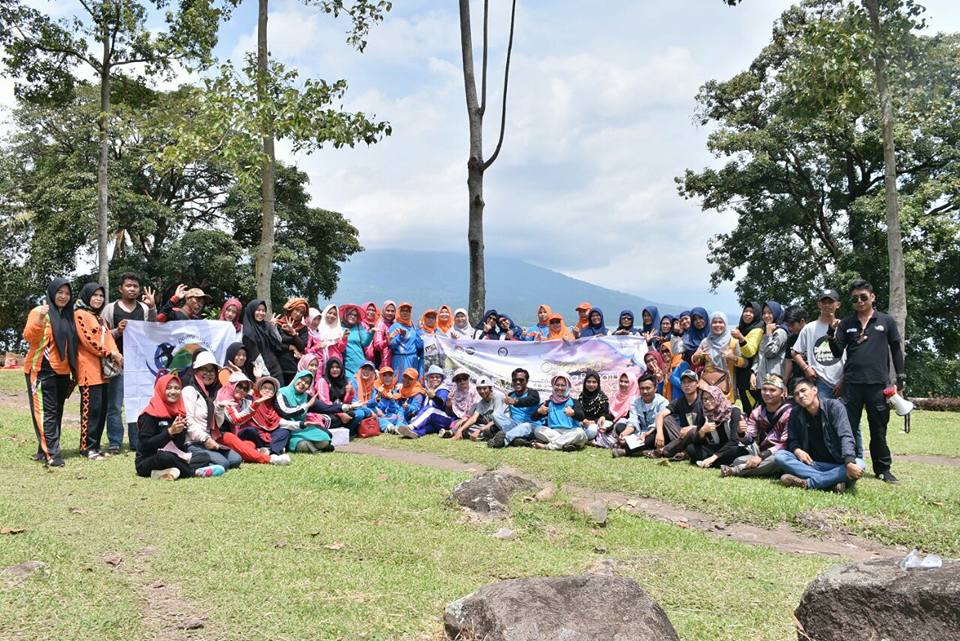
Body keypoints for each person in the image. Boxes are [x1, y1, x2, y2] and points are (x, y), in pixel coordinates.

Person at [827, 279, 905, 485]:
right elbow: (837, 352)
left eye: (863, 297)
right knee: (848, 429)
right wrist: (831, 334)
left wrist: (901, 377)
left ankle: (883, 469)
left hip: (878, 385)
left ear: (872, 297)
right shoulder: (846, 323)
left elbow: (896, 349)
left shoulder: (886, 321)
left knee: (878, 429)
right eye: (855, 299)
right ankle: (847, 465)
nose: (860, 302)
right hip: (851, 385)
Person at [775, 378, 865, 492]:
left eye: (803, 391)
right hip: (812, 463)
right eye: (796, 394)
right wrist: (797, 450)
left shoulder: (834, 406)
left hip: (838, 464)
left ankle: (809, 483)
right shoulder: (796, 412)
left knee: (860, 465)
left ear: (815, 390)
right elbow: (793, 439)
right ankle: (831, 481)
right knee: (780, 456)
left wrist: (849, 462)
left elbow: (845, 436)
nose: (801, 396)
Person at [24, 277, 78, 467]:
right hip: (41, 369)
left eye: (67, 293)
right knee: (46, 412)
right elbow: (29, 337)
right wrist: (39, 319)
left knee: (57, 413)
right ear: (52, 293)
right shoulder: (40, 311)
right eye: (60, 292)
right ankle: (52, 454)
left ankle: (43, 450)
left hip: (62, 371)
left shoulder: (68, 315)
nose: (63, 296)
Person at [102, 272, 157, 453]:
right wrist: (117, 331)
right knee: (115, 405)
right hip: (117, 364)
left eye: (135, 286)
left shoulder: (144, 309)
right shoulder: (110, 309)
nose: (132, 289)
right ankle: (115, 441)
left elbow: (153, 331)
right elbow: (101, 335)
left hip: (139, 366)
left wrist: (153, 307)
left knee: (139, 404)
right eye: (128, 286)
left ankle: (136, 440)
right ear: (120, 288)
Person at [134, 374, 223, 479]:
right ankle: (193, 473)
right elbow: (145, 445)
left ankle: (164, 472)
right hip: (149, 459)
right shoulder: (149, 414)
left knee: (203, 457)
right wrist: (169, 432)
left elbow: (179, 445)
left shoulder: (179, 412)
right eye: (168, 388)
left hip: (175, 455)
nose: (173, 392)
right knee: (166, 457)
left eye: (176, 388)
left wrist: (179, 432)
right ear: (160, 390)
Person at [74, 283, 123, 460]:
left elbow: (108, 338)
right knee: (91, 411)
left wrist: (116, 353)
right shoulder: (80, 314)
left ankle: (95, 446)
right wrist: (110, 353)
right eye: (95, 295)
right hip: (88, 371)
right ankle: (86, 448)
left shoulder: (98, 317)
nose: (98, 299)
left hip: (103, 373)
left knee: (101, 410)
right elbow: (88, 341)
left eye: (101, 296)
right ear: (87, 296)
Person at [721, 374, 793, 478]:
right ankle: (762, 469)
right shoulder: (757, 412)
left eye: (772, 390)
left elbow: (785, 444)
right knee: (738, 460)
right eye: (764, 389)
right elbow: (750, 441)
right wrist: (741, 433)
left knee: (778, 459)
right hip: (761, 453)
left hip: (781, 453)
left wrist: (762, 456)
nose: (767, 393)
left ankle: (736, 470)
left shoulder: (790, 413)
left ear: (782, 393)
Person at [182, 350, 242, 471]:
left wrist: (219, 408)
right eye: (204, 369)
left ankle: (205, 460)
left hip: (209, 440)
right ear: (196, 371)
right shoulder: (189, 391)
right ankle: (189, 464)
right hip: (193, 442)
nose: (208, 374)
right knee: (223, 464)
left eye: (212, 370)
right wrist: (205, 439)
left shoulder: (210, 395)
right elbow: (188, 422)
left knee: (236, 460)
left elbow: (216, 425)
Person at [215, 372, 292, 465]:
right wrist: (255, 405)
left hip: (241, 436)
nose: (242, 390)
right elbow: (235, 420)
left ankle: (263, 452)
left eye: (245, 389)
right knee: (247, 433)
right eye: (239, 386)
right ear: (232, 385)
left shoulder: (244, 400)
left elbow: (280, 419)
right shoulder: (224, 398)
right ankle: (270, 459)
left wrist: (302, 424)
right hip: (218, 436)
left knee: (250, 444)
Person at [791, 289, 844, 400]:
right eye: (824, 302)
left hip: (843, 379)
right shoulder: (809, 328)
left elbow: (852, 355)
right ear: (819, 304)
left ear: (838, 304)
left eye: (831, 302)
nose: (827, 305)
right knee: (822, 410)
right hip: (820, 380)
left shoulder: (844, 326)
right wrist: (806, 368)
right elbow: (795, 352)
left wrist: (844, 379)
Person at [685, 385, 745, 469]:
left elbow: (734, 440)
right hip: (716, 447)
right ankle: (721, 463)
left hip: (732, 447)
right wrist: (702, 431)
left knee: (738, 451)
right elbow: (696, 441)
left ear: (718, 397)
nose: (707, 402)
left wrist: (713, 457)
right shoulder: (705, 414)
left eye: (711, 398)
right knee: (691, 448)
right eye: (704, 399)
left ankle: (712, 461)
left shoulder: (733, 412)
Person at [691, 311, 745, 403]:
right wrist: (696, 356)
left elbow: (745, 363)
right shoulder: (706, 342)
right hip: (708, 384)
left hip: (726, 385)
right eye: (714, 322)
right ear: (710, 324)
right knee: (707, 407)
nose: (717, 325)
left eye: (720, 322)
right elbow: (697, 360)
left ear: (725, 324)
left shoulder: (733, 342)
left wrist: (733, 358)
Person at [611, 374, 669, 457]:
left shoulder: (663, 402)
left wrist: (646, 434)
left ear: (655, 388)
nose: (645, 391)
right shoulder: (636, 402)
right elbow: (633, 420)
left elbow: (658, 424)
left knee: (657, 434)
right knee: (620, 426)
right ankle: (643, 450)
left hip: (652, 433)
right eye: (642, 388)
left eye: (648, 388)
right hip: (638, 434)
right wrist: (625, 433)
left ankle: (625, 451)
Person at [650, 370, 704, 460]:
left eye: (690, 382)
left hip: (700, 436)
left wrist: (693, 427)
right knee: (666, 418)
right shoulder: (679, 401)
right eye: (684, 382)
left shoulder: (703, 400)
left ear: (697, 384)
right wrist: (659, 433)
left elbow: (709, 423)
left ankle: (664, 451)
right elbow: (660, 415)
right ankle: (683, 451)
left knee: (692, 431)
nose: (687, 385)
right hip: (681, 437)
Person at [277, 371, 335, 453]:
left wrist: (346, 407)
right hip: (288, 429)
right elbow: (286, 412)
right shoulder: (282, 392)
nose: (303, 383)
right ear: (296, 378)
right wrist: (306, 406)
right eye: (302, 379)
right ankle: (309, 446)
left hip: (302, 428)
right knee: (302, 445)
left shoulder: (306, 396)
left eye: (307, 382)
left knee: (324, 439)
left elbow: (325, 408)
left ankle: (311, 445)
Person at [487, 368, 542, 448]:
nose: (518, 382)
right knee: (496, 414)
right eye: (515, 380)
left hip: (531, 427)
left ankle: (503, 441)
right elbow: (505, 414)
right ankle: (516, 439)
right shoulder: (510, 395)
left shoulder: (533, 393)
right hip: (515, 426)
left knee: (525, 425)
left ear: (526, 381)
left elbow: (531, 400)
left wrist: (515, 402)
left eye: (521, 380)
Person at [532, 373, 587, 451]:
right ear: (553, 386)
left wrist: (573, 413)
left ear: (568, 386)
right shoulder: (548, 403)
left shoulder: (573, 401)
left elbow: (582, 417)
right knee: (538, 429)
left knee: (580, 433)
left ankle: (547, 446)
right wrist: (539, 411)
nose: (559, 388)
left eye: (563, 385)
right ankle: (568, 444)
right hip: (554, 432)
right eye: (557, 385)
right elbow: (533, 417)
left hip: (571, 431)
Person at [398, 365, 453, 438]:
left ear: (442, 379)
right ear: (428, 379)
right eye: (432, 377)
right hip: (434, 422)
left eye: (437, 377)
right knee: (424, 427)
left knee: (429, 409)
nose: (435, 379)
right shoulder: (428, 390)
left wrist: (434, 397)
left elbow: (442, 403)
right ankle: (414, 433)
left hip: (444, 420)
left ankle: (410, 427)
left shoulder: (442, 390)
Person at [731, 301, 764, 415]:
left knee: (753, 410)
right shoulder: (741, 328)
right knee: (746, 408)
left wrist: (741, 338)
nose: (748, 314)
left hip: (750, 376)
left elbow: (750, 352)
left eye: (751, 312)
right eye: (746, 311)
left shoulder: (758, 329)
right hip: (741, 374)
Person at [451, 377, 506, 441]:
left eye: (485, 388)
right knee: (463, 426)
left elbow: (498, 418)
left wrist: (479, 430)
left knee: (490, 428)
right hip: (486, 425)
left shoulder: (497, 396)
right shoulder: (481, 402)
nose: (482, 391)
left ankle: (493, 436)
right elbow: (473, 418)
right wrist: (460, 430)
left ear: (490, 388)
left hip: (500, 424)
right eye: (479, 389)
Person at [241, 299, 284, 380]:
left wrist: (273, 328)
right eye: (258, 310)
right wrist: (266, 375)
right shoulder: (248, 332)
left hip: (275, 367)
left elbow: (279, 341)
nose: (261, 313)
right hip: (261, 371)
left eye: (263, 310)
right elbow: (254, 356)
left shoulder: (266, 325)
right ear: (252, 310)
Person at [597, 369, 637, 448]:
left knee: (619, 427)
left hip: (628, 425)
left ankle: (618, 442)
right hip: (615, 423)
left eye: (626, 382)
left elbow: (627, 417)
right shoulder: (618, 396)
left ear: (632, 383)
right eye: (621, 381)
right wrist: (604, 417)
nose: (622, 384)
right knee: (600, 425)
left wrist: (609, 428)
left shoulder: (635, 400)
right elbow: (613, 415)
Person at [753, 301, 789, 384]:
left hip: (775, 381)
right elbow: (759, 355)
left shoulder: (780, 332)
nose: (766, 316)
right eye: (764, 313)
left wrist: (769, 334)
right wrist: (753, 372)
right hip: (763, 380)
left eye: (770, 313)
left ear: (776, 313)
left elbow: (769, 353)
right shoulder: (765, 332)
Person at [276, 297, 310, 385]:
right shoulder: (278, 324)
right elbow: (275, 344)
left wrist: (293, 333)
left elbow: (302, 346)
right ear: (291, 309)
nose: (298, 314)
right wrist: (290, 347)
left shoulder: (303, 328)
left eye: (301, 312)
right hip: (277, 366)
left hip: (293, 367)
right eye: (297, 310)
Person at [440, 369, 479, 438]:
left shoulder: (475, 390)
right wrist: (449, 401)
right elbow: (449, 413)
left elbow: (475, 407)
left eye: (464, 378)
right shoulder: (454, 391)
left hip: (473, 417)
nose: (462, 381)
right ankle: (451, 431)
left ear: (468, 378)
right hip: (458, 418)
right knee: (452, 423)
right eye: (458, 380)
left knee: (460, 423)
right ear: (455, 381)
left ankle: (451, 432)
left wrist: (464, 419)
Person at [579, 370, 613, 443]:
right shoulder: (582, 396)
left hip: (595, 425)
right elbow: (579, 414)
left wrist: (593, 421)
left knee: (592, 431)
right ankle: (584, 438)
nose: (591, 384)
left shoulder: (602, 398)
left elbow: (604, 416)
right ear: (585, 383)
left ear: (598, 383)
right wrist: (582, 421)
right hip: (584, 424)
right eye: (588, 382)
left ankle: (583, 438)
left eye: (594, 382)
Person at [340, 304, 373, 380]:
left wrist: (371, 333)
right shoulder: (340, 328)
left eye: (355, 315)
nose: (353, 316)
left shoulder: (359, 327)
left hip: (361, 364)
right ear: (345, 315)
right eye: (350, 314)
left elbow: (365, 343)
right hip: (347, 366)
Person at [389, 303, 423, 374]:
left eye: (407, 311)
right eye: (403, 311)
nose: (405, 313)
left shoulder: (413, 327)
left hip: (413, 359)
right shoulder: (395, 326)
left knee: (413, 379)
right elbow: (391, 345)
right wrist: (401, 336)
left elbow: (419, 346)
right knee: (399, 380)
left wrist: (420, 330)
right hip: (400, 359)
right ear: (399, 312)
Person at [781, 306, 808, 393]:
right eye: (788, 325)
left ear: (802, 321)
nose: (790, 328)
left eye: (792, 325)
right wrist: (784, 383)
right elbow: (788, 361)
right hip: (798, 380)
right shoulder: (791, 339)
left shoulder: (814, 335)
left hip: (815, 379)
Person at [374, 367, 407, 433]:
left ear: (392, 377)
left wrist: (392, 399)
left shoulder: (395, 389)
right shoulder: (376, 388)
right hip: (380, 416)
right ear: (381, 377)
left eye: (390, 375)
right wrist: (378, 395)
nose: (387, 378)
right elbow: (374, 406)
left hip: (391, 416)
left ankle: (399, 427)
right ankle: (390, 427)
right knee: (376, 418)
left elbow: (395, 410)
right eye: (385, 375)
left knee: (397, 414)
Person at [370, 300, 396, 367]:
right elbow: (377, 345)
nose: (390, 313)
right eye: (388, 310)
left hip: (394, 359)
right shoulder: (380, 324)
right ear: (384, 310)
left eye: (392, 311)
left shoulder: (395, 324)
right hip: (383, 361)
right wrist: (387, 342)